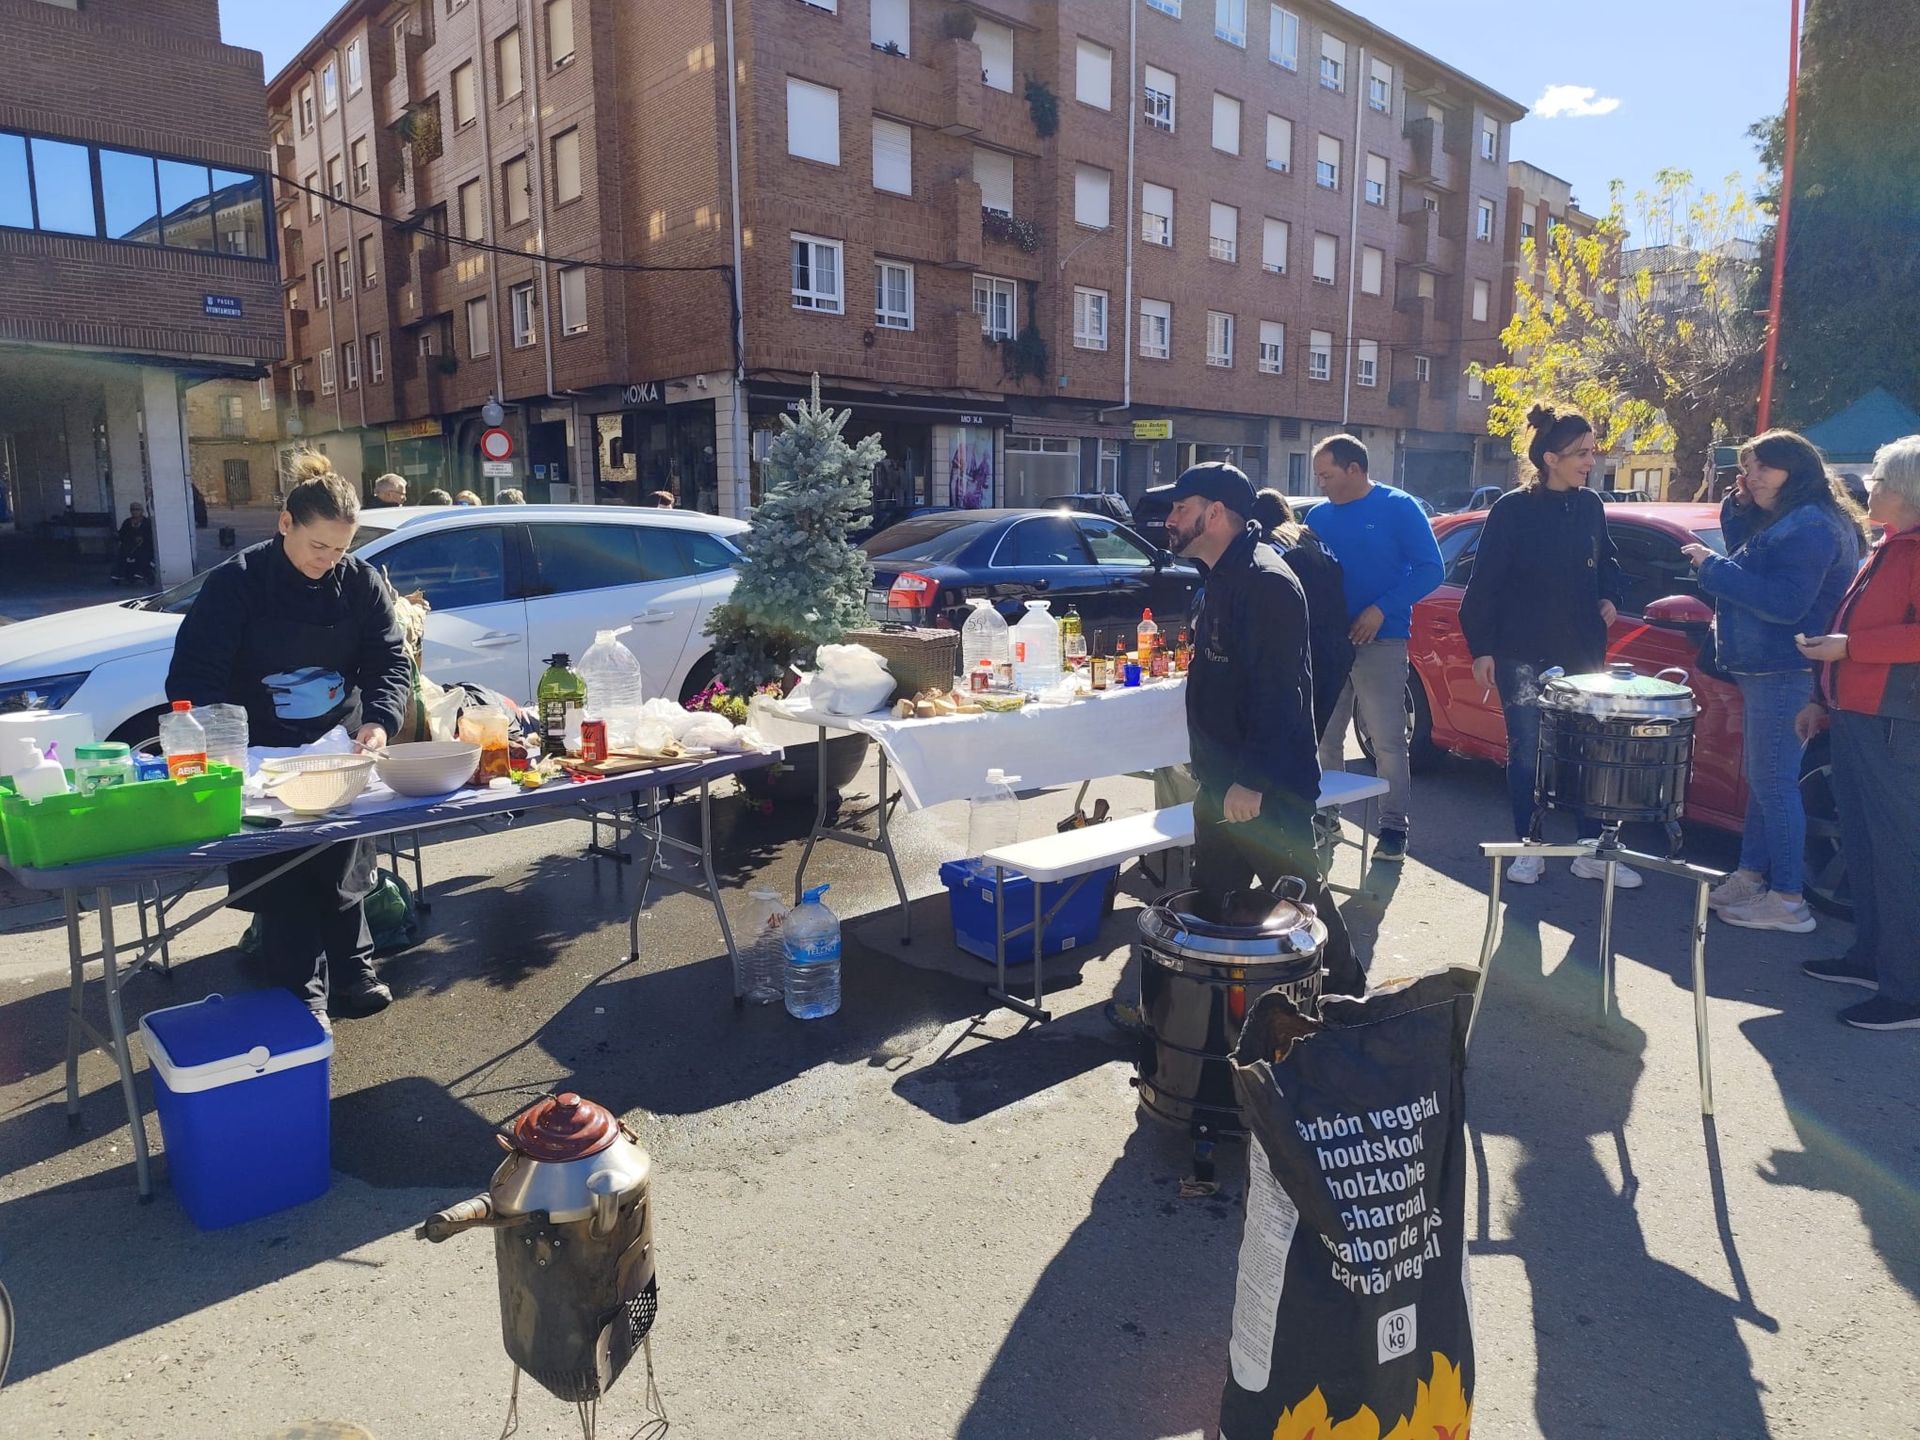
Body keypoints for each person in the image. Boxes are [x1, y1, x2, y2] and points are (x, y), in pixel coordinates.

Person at [166, 452, 412, 1021]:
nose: (328, 560)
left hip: (336, 746)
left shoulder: (360, 582)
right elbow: (194, 677)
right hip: (258, 752)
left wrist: (379, 720)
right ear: (285, 524)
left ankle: (354, 970)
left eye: (340, 550)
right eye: (317, 546)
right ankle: (300, 990)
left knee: (343, 858)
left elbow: (388, 661)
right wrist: (222, 741)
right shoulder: (237, 583)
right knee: (284, 870)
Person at [1164, 461, 1362, 995]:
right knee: (1212, 905)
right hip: (1221, 781)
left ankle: (1349, 999)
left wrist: (1250, 781)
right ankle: (1202, 1012)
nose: (1170, 519)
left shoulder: (1265, 581)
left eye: (1181, 508)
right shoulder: (1223, 575)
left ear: (1216, 513)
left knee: (1301, 900)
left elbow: (1281, 694)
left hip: (1263, 788)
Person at [1681, 430, 1868, 933]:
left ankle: (1788, 900)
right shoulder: (1801, 517)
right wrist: (1738, 510)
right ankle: (1751, 876)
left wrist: (1711, 567)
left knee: (1773, 783)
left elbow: (1784, 603)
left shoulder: (1811, 526)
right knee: (1767, 781)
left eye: (1764, 467)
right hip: (1776, 666)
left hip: (1785, 667)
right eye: (1747, 467)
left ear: (1796, 470)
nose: (1751, 477)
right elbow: (1751, 558)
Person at [1460, 404, 1641, 887]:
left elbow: (1608, 563)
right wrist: (1482, 649)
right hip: (1521, 653)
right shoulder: (1512, 509)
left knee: (1590, 752)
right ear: (1550, 458)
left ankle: (1592, 850)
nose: (1590, 462)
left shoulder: (1591, 506)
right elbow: (1484, 584)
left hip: (1583, 654)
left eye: (1592, 451)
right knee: (1527, 753)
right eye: (1581, 453)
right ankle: (1530, 847)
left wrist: (1610, 596)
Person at [1794, 435, 1920, 1030]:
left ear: (1907, 490)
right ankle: (1873, 960)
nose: (1870, 486)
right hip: (1859, 715)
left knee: (1897, 855)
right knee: (1867, 847)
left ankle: (1906, 991)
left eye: (1880, 478)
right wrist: (1822, 697)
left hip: (1895, 722)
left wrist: (1851, 649)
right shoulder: (1891, 545)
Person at [1306, 435, 1444, 863]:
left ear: (1354, 469)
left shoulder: (1399, 507)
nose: (1321, 484)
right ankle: (1326, 818)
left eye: (1327, 475)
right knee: (1325, 737)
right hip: (1329, 643)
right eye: (1318, 477)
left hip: (1382, 641)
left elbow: (1431, 569)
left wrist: (1381, 609)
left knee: (1387, 740)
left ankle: (1393, 829)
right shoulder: (1317, 516)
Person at [1252, 488, 1353, 738]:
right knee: (1312, 736)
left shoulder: (1264, 547)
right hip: (1336, 649)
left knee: (1287, 738)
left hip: (1298, 653)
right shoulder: (1312, 539)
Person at [108, 502, 155, 586]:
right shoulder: (127, 522)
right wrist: (117, 535)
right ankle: (117, 575)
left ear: (142, 511)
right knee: (121, 554)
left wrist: (142, 538)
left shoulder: (147, 522)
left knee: (144, 555)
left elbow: (150, 536)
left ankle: (141, 573)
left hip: (144, 547)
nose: (135, 511)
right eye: (132, 509)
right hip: (129, 546)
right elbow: (122, 534)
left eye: (137, 509)